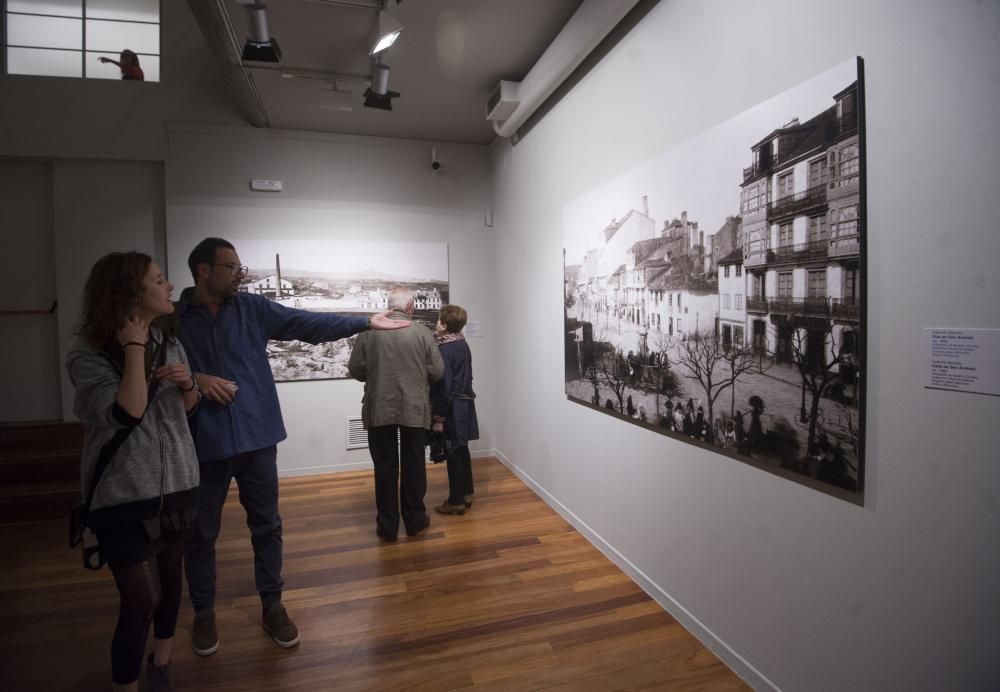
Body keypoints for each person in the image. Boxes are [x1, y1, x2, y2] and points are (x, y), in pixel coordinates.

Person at [172, 237, 409, 657]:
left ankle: (272, 606)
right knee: (200, 534)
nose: (240, 274)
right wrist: (198, 378)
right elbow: (161, 371)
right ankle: (204, 614)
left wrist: (363, 322)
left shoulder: (252, 308)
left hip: (257, 437)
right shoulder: (173, 321)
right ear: (204, 271)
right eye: (231, 267)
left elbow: (306, 323)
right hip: (204, 442)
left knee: (267, 527)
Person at [67, 252, 201, 692]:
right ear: (129, 293)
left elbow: (188, 410)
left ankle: (161, 664)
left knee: (170, 583)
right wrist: (133, 348)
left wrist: (187, 386)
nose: (168, 287)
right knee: (141, 601)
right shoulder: (88, 353)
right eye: (158, 280)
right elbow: (127, 412)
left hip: (178, 483)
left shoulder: (170, 340)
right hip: (122, 494)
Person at [348, 289, 444, 540]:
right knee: (414, 465)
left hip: (379, 406)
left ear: (389, 307)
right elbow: (437, 372)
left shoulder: (369, 332)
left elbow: (356, 369)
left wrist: (376, 376)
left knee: (384, 466)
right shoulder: (423, 332)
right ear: (410, 307)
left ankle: (387, 526)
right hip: (414, 407)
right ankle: (414, 521)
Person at [430, 304, 480, 516]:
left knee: (452, 451)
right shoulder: (462, 344)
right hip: (465, 404)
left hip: (452, 407)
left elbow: (445, 386)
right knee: (462, 449)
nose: (436, 323)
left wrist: (439, 415)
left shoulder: (443, 349)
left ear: (443, 325)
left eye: (438, 320)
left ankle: (456, 501)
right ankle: (467, 493)